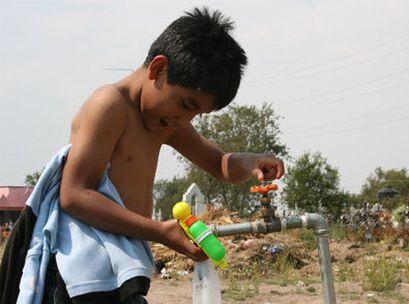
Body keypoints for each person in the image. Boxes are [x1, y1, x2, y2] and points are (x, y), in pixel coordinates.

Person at [0, 7, 284, 304]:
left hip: (119, 265)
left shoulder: (167, 121)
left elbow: (220, 165)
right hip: (81, 276)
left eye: (197, 114)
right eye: (187, 105)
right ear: (158, 69)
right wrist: (160, 232)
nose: (185, 120)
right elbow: (75, 194)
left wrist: (250, 161)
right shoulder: (111, 106)